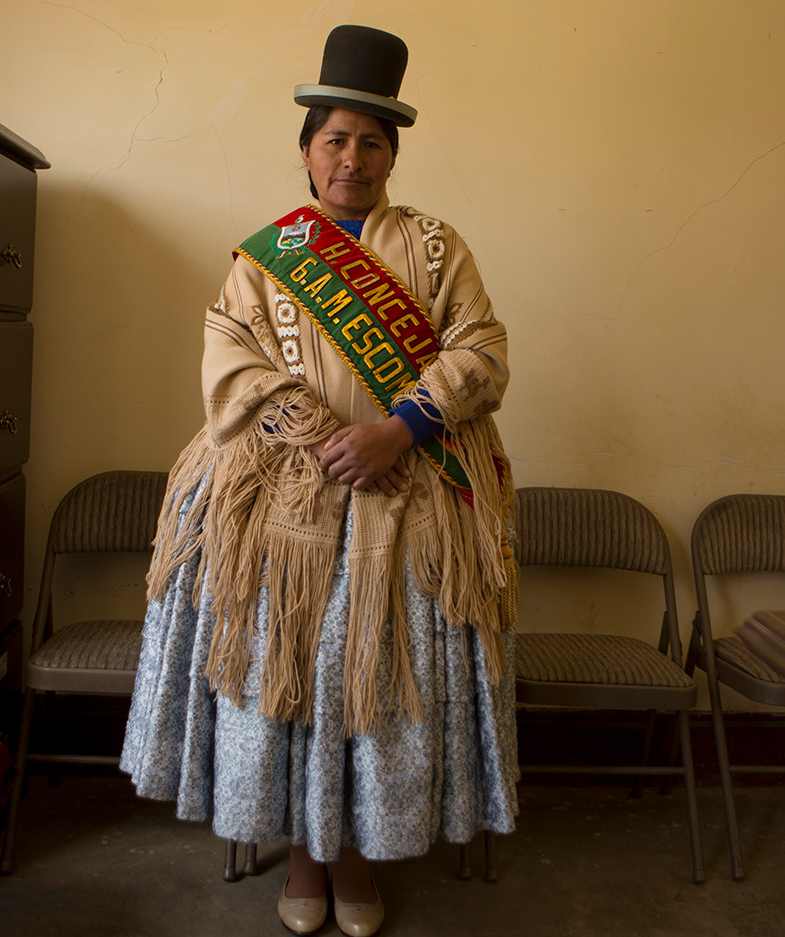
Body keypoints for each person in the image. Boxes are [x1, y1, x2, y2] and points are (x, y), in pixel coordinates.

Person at [120, 24, 518, 937]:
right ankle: (300, 857)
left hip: (406, 501)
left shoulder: (434, 246)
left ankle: (360, 862)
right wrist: (327, 439)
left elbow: (482, 350)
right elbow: (231, 364)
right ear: (306, 151)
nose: (353, 157)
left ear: (392, 155)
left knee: (372, 690)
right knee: (286, 680)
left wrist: (397, 429)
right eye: (335, 138)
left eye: (372, 142)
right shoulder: (264, 258)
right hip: (280, 506)